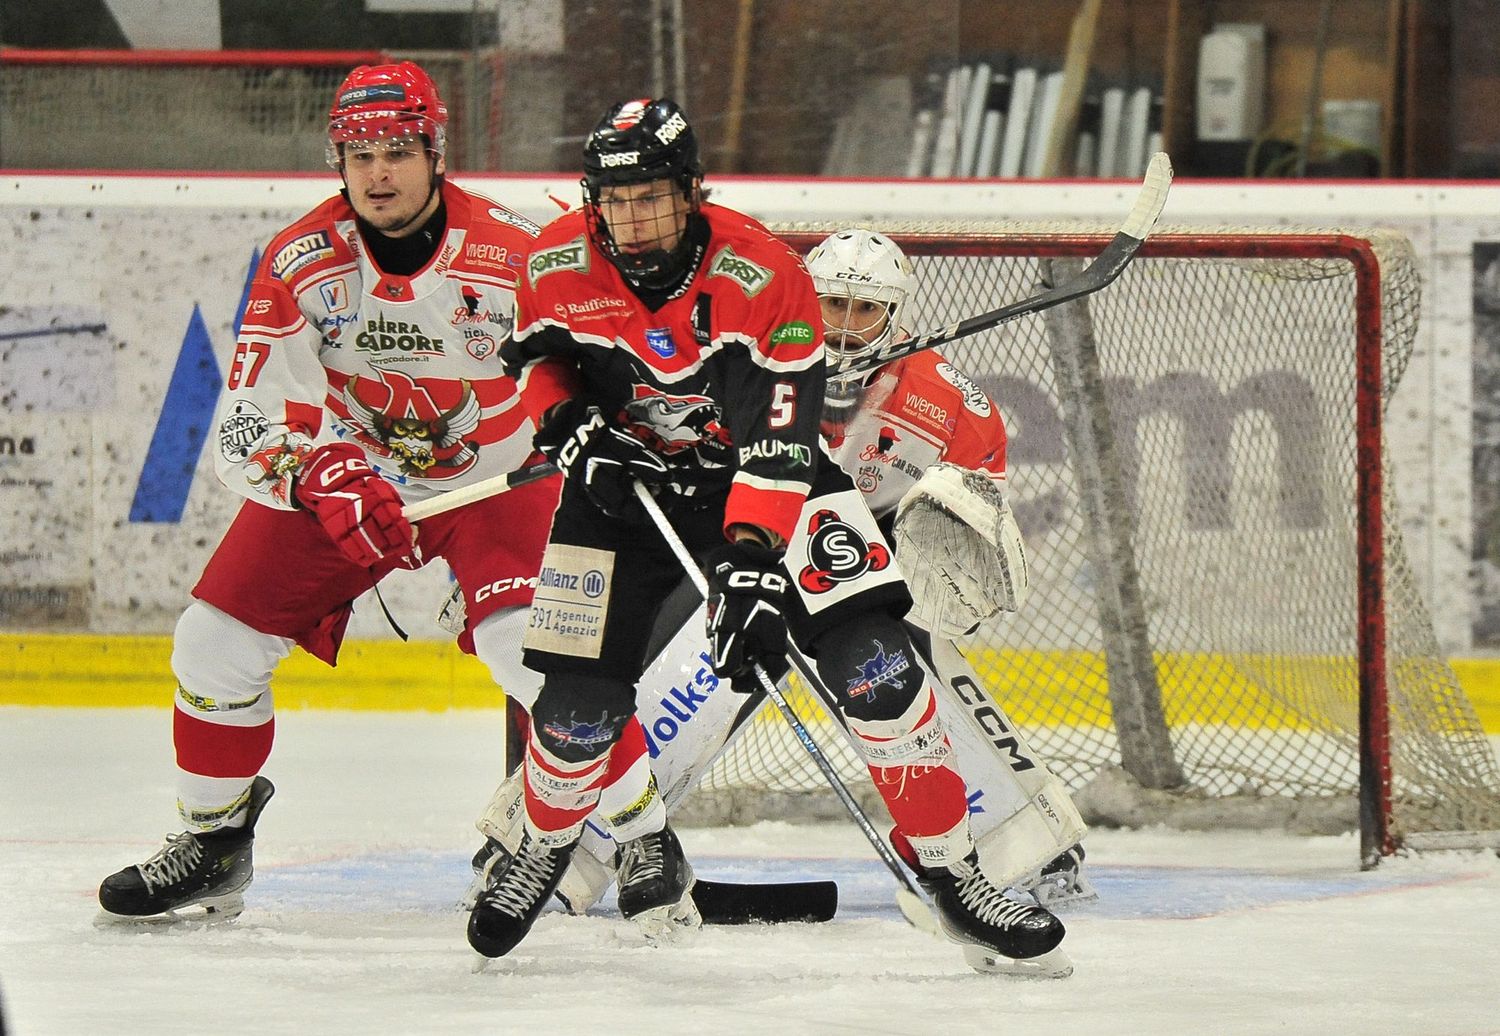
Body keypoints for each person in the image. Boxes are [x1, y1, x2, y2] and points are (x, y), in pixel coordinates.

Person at [468, 97, 1068, 976]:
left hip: (762, 478)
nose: (633, 220)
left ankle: (954, 873)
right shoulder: (554, 261)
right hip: (621, 491)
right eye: (615, 200)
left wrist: (750, 562)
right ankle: (545, 846)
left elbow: (781, 443)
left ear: (691, 192)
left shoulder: (763, 272)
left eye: (652, 198)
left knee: (879, 666)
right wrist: (566, 426)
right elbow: (536, 360)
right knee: (574, 711)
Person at [94, 60, 638, 925]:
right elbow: (245, 420)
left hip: (499, 479)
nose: (378, 173)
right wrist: (311, 470)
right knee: (211, 643)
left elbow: (603, 366)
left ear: (435, 153)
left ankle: (605, 836)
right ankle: (213, 840)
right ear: (338, 162)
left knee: (534, 655)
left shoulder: (515, 252)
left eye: (397, 152)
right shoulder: (302, 261)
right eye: (360, 155)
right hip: (356, 481)